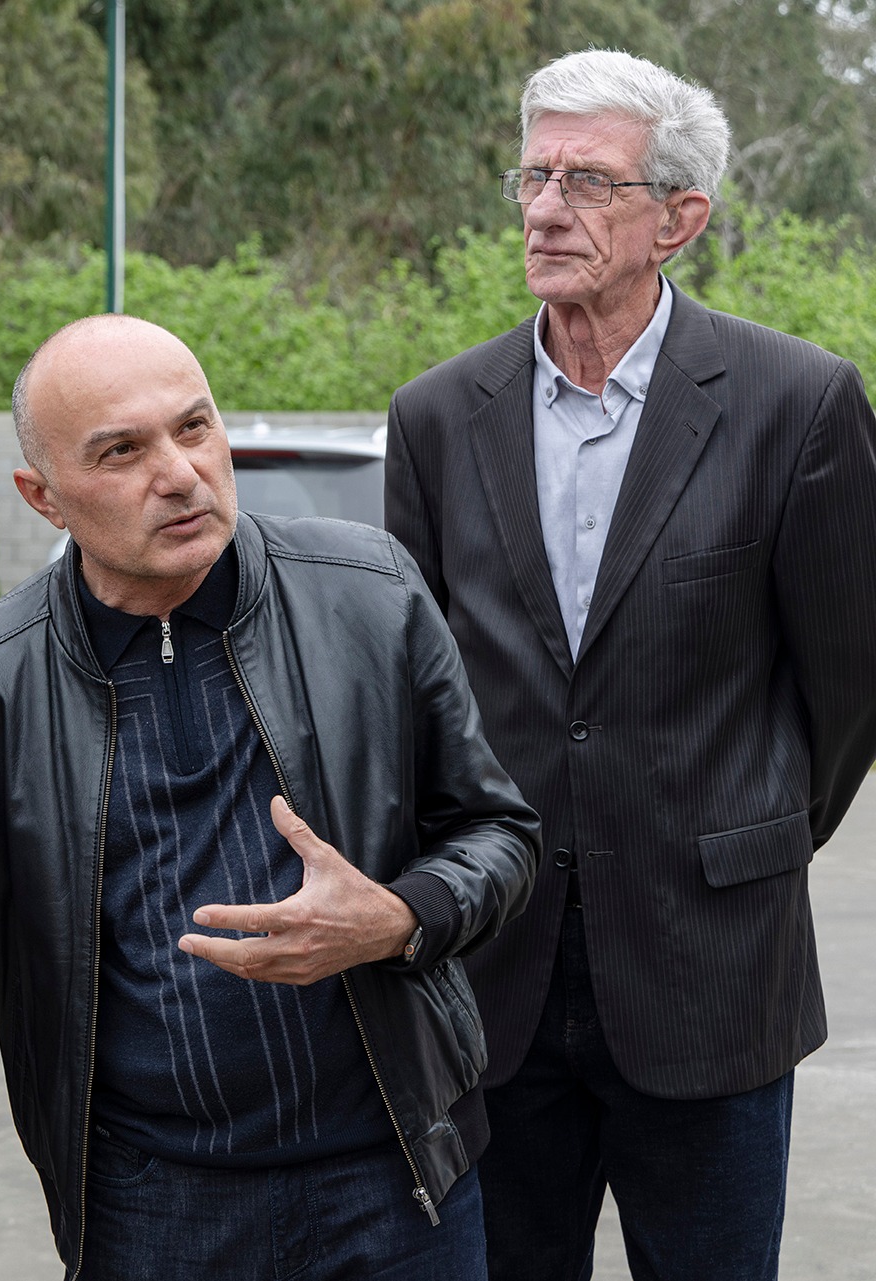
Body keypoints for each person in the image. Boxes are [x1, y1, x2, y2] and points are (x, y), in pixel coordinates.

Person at [0, 314, 540, 1280]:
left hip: (394, 1183)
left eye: (194, 426)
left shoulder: (371, 591)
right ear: (42, 496)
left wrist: (397, 917)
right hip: (148, 1208)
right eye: (121, 451)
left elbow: (498, 832)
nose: (179, 473)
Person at [384, 49, 876, 1281]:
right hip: (494, 973)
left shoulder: (799, 402)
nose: (547, 209)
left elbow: (849, 683)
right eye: (534, 176)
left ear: (679, 219)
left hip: (713, 973)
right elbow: (415, 691)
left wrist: (748, 831)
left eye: (589, 182)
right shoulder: (437, 415)